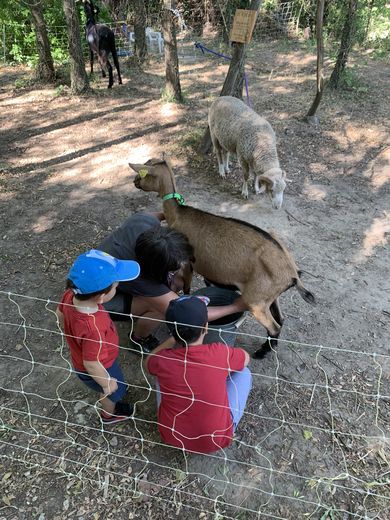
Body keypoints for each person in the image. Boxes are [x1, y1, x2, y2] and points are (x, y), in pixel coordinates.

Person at [98, 212, 248, 355]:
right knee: (161, 309)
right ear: (158, 268)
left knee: (176, 282)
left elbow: (164, 213)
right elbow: (190, 314)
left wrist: (180, 213)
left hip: (113, 274)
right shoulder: (143, 280)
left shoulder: (144, 223)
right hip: (101, 298)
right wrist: (236, 306)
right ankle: (138, 339)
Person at [145, 295, 252, 454]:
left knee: (159, 374)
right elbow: (246, 358)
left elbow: (148, 364)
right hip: (216, 440)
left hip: (172, 436)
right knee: (244, 373)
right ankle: (230, 425)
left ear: (172, 331)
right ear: (206, 327)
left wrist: (171, 340)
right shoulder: (218, 352)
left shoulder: (163, 359)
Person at [56, 249, 140, 424]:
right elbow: (92, 363)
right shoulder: (93, 327)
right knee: (114, 391)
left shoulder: (70, 295)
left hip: (89, 359)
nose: (117, 288)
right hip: (102, 366)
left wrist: (71, 332)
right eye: (116, 286)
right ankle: (109, 414)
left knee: (113, 386)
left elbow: (60, 313)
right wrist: (107, 382)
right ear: (101, 297)